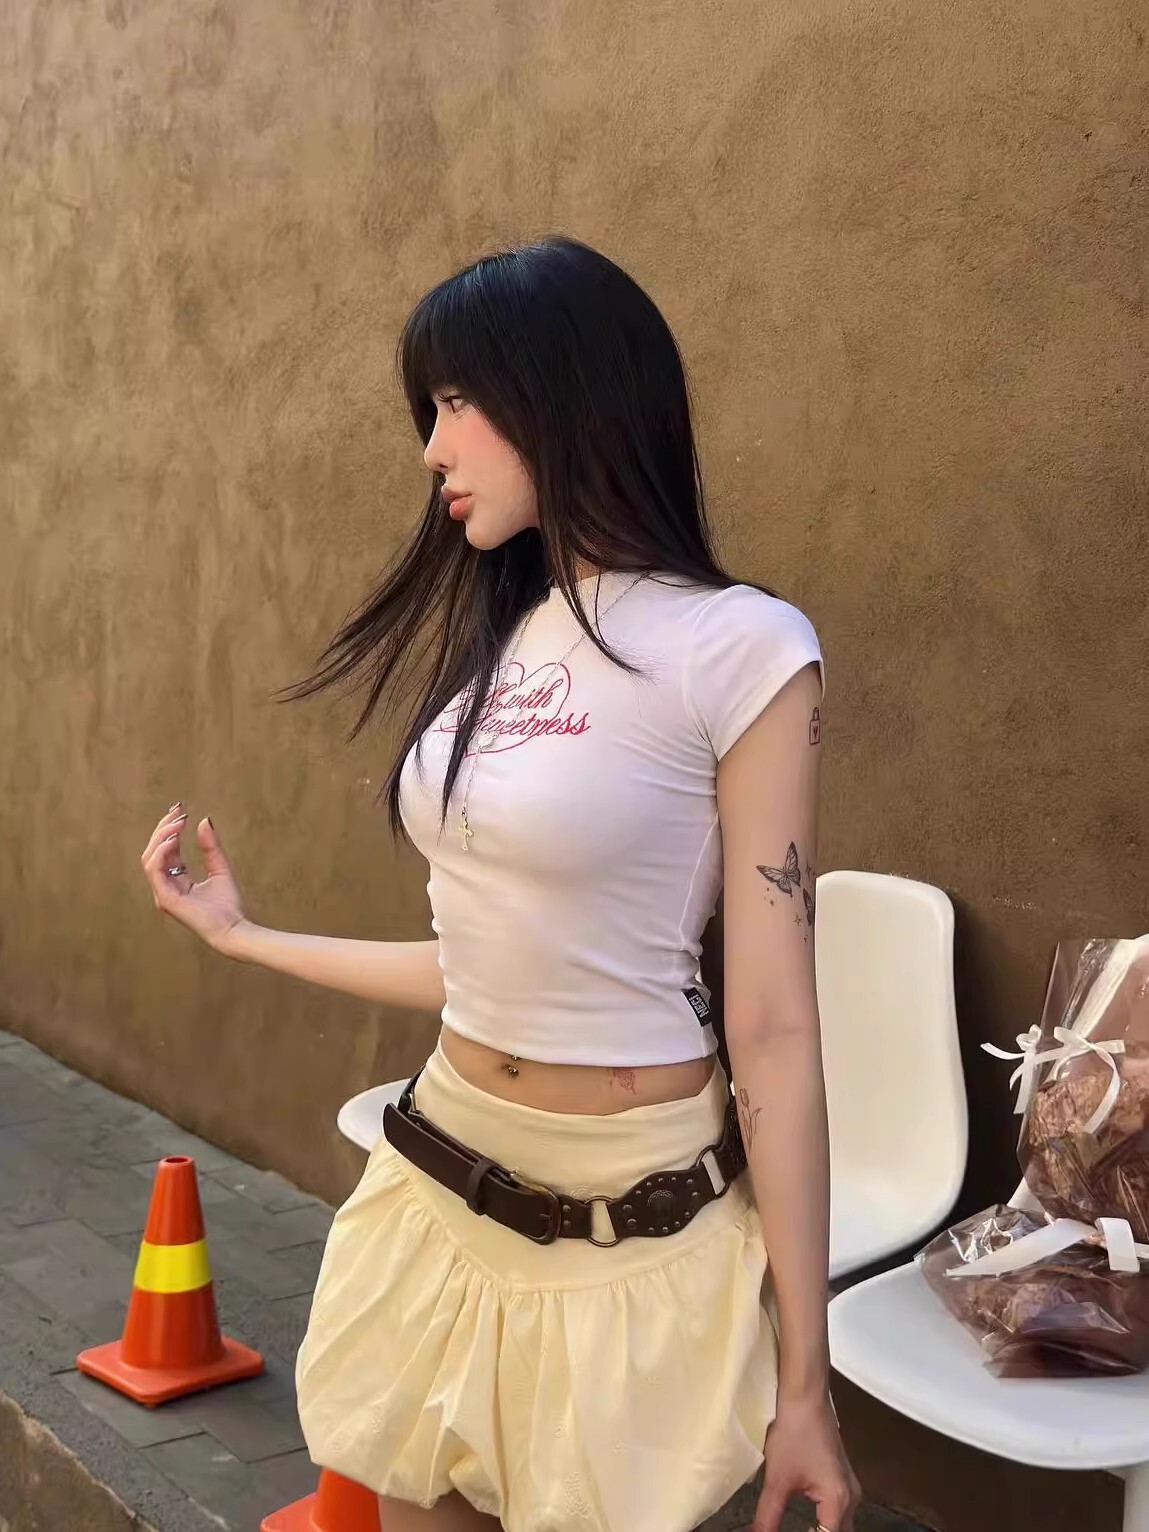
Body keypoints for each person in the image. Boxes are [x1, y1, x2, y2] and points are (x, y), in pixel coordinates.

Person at [139, 236, 861, 1532]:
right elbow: (476, 968)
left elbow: (772, 1025)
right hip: (443, 1179)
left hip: (626, 1229)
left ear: (567, 391)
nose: (432, 449)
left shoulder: (740, 646)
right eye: (430, 410)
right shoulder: (508, 632)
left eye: (457, 401)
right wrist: (240, 935)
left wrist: (806, 1383)